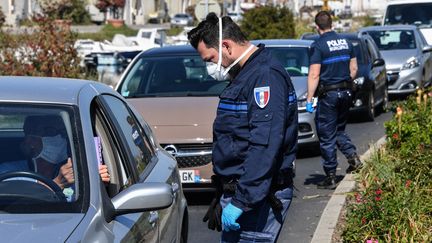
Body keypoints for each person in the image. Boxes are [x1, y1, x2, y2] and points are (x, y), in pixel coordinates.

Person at [188, 13, 298, 242]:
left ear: (226, 46)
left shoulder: (264, 76)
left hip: (257, 198)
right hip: (244, 193)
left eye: (210, 59)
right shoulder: (245, 75)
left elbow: (264, 146)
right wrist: (225, 192)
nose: (210, 66)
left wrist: (242, 201)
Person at [305, 11, 362, 190]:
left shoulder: (318, 45)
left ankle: (330, 175)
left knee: (327, 135)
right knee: (339, 129)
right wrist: (344, 82)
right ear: (332, 24)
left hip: (328, 95)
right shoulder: (346, 42)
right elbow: (354, 69)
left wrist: (309, 98)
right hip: (345, 93)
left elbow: (314, 74)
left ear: (317, 27)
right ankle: (353, 158)